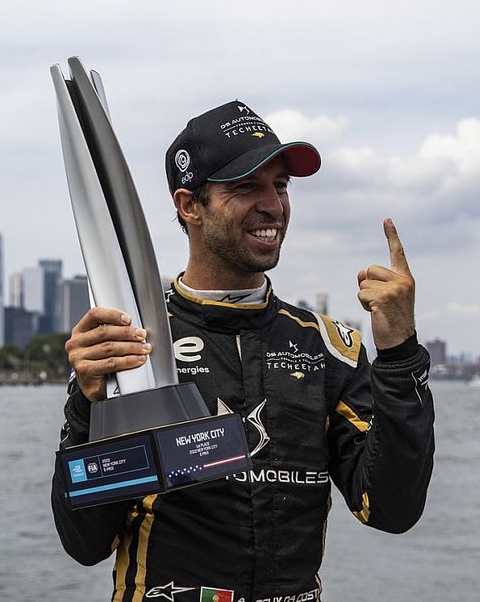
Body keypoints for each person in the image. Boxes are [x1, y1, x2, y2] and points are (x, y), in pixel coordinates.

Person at [51, 101, 435, 602]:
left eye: (280, 186)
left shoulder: (327, 348)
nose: (273, 205)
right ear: (190, 205)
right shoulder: (135, 345)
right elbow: (85, 543)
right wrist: (86, 406)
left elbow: (390, 509)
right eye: (246, 187)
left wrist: (400, 353)